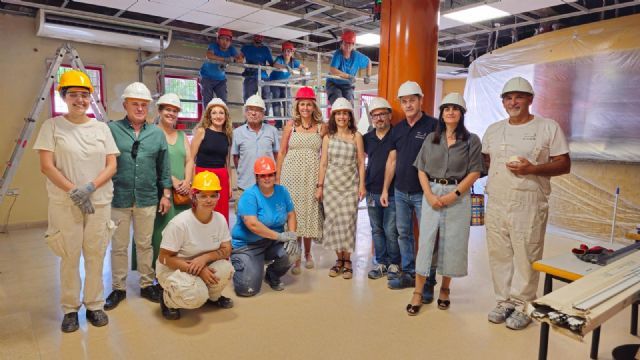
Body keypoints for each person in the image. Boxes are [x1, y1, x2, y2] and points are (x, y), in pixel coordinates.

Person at [482, 76, 570, 330]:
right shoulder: (494, 129)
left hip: (529, 201)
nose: (513, 102)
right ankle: (504, 301)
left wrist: (532, 169)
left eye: (519, 97)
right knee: (499, 254)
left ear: (530, 99)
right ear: (503, 102)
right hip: (497, 200)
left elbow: (564, 163)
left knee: (526, 254)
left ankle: (524, 304)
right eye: (508, 98)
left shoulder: (547, 127)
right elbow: (488, 161)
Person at [34, 70, 119, 332]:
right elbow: (47, 166)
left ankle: (94, 305)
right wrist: (75, 191)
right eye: (73, 95)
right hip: (66, 203)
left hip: (99, 202)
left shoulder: (101, 128)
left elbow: (112, 164)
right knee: (69, 256)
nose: (80, 100)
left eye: (84, 95)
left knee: (95, 254)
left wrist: (91, 187)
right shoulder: (52, 126)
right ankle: (70, 309)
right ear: (64, 97)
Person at [406, 93, 483, 316]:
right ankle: (418, 292)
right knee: (427, 241)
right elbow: (421, 168)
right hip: (432, 192)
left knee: (453, 241)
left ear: (462, 114)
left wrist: (454, 194)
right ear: (441, 113)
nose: (450, 112)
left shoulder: (471, 140)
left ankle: (445, 289)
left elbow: (475, 171)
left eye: (455, 108)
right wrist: (429, 195)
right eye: (446, 108)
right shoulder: (432, 138)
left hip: (458, 194)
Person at [105, 82, 172, 311]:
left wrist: (166, 194)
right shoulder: (112, 130)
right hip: (118, 198)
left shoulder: (156, 134)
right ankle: (118, 288)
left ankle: (146, 284)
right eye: (135, 104)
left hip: (147, 197)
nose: (140, 108)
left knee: (144, 244)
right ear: (125, 105)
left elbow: (164, 166)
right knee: (119, 246)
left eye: (144, 104)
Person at [380, 81, 438, 301]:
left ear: (421, 101)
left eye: (412, 100)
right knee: (403, 234)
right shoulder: (398, 129)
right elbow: (392, 161)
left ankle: (429, 281)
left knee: (428, 237)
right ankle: (410, 273)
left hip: (425, 192)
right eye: (404, 101)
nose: (408, 105)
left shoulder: (433, 125)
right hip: (400, 192)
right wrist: (386, 189)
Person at [156, 171, 235, 320]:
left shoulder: (220, 219)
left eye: (213, 195)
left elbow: (227, 250)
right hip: (173, 268)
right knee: (195, 297)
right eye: (203, 195)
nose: (209, 200)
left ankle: (212, 297)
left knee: (226, 269)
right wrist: (198, 270)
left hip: (200, 265)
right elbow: (164, 258)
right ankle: (168, 299)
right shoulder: (180, 224)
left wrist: (204, 258)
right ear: (194, 197)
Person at [133, 93, 194, 272]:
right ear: (159, 110)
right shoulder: (150, 134)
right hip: (161, 192)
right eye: (168, 109)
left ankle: (178, 269)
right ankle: (156, 272)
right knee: (159, 234)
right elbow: (150, 162)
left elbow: (189, 160)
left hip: (181, 193)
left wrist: (187, 181)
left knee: (180, 234)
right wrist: (172, 181)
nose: (171, 113)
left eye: (175, 110)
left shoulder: (182, 136)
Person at [230, 157, 299, 296]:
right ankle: (246, 263)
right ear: (257, 177)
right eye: (263, 175)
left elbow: (291, 214)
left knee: (293, 252)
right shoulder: (249, 195)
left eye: (270, 174)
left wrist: (291, 235)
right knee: (247, 289)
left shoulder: (282, 191)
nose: (267, 178)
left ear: (275, 175)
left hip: (271, 242)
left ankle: (272, 274)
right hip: (248, 245)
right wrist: (280, 236)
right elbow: (252, 224)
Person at [276, 87, 325, 274]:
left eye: (309, 104)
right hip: (291, 175)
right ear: (298, 106)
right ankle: (295, 258)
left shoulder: (322, 127)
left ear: (313, 106)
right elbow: (281, 152)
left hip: (311, 175)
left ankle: (308, 254)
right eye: (302, 104)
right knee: (294, 216)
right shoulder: (290, 126)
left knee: (309, 213)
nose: (305, 108)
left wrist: (321, 182)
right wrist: (278, 178)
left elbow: (324, 157)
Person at [315, 98, 366, 280]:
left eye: (345, 113)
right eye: (338, 113)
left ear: (350, 116)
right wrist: (320, 186)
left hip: (350, 186)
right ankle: (338, 260)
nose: (342, 117)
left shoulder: (356, 136)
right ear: (333, 116)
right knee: (333, 224)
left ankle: (348, 260)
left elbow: (361, 162)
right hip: (331, 187)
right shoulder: (328, 137)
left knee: (348, 224)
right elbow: (323, 163)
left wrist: (362, 185)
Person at [363, 97, 401, 280]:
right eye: (375, 115)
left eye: (382, 115)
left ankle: (394, 263)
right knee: (376, 228)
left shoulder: (397, 135)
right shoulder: (367, 138)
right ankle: (381, 263)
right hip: (371, 191)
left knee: (390, 229)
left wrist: (386, 190)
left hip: (392, 192)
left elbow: (393, 162)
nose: (378, 119)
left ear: (389, 115)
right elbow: (356, 160)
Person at [190, 98, 233, 223]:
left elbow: (227, 162)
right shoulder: (201, 132)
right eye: (214, 113)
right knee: (202, 211)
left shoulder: (227, 135)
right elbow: (191, 159)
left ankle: (220, 240)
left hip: (221, 177)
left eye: (221, 113)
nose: (218, 116)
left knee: (221, 212)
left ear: (225, 116)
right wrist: (192, 182)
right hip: (203, 175)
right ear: (209, 115)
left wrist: (229, 184)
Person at [231, 94, 280, 199]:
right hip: (245, 185)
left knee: (267, 215)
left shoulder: (272, 131)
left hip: (268, 185)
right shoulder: (237, 133)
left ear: (263, 114)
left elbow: (277, 156)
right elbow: (236, 158)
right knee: (244, 214)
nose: (253, 113)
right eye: (250, 109)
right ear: (245, 112)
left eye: (257, 110)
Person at [200, 28, 243, 107]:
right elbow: (209, 56)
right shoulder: (213, 46)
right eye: (223, 39)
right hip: (207, 78)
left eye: (227, 40)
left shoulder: (231, 49)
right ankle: (208, 119)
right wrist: (225, 59)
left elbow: (240, 60)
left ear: (230, 41)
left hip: (220, 80)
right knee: (207, 101)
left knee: (223, 102)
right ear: (218, 39)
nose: (225, 42)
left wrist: (235, 59)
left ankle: (224, 119)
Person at [326, 30, 372, 104]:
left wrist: (368, 76)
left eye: (350, 44)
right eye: (346, 43)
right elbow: (333, 70)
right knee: (338, 101)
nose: (348, 46)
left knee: (349, 103)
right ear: (341, 43)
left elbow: (369, 62)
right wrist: (348, 76)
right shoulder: (338, 54)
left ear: (353, 45)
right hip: (334, 83)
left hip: (347, 84)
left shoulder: (357, 56)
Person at [270, 41, 307, 118]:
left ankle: (288, 123)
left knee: (287, 102)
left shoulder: (294, 61)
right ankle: (278, 124)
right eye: (286, 50)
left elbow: (304, 67)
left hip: (285, 83)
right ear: (283, 52)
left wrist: (303, 70)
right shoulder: (279, 59)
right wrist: (285, 67)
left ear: (292, 52)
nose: (287, 53)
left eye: (290, 51)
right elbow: (275, 64)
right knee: (276, 101)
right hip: (275, 82)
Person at [241, 34, 274, 104]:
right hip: (250, 77)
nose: (259, 39)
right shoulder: (246, 48)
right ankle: (249, 114)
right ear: (253, 37)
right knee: (248, 99)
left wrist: (263, 65)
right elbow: (239, 59)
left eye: (261, 37)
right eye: (257, 37)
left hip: (263, 77)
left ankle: (266, 115)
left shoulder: (265, 49)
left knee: (266, 100)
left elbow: (272, 63)